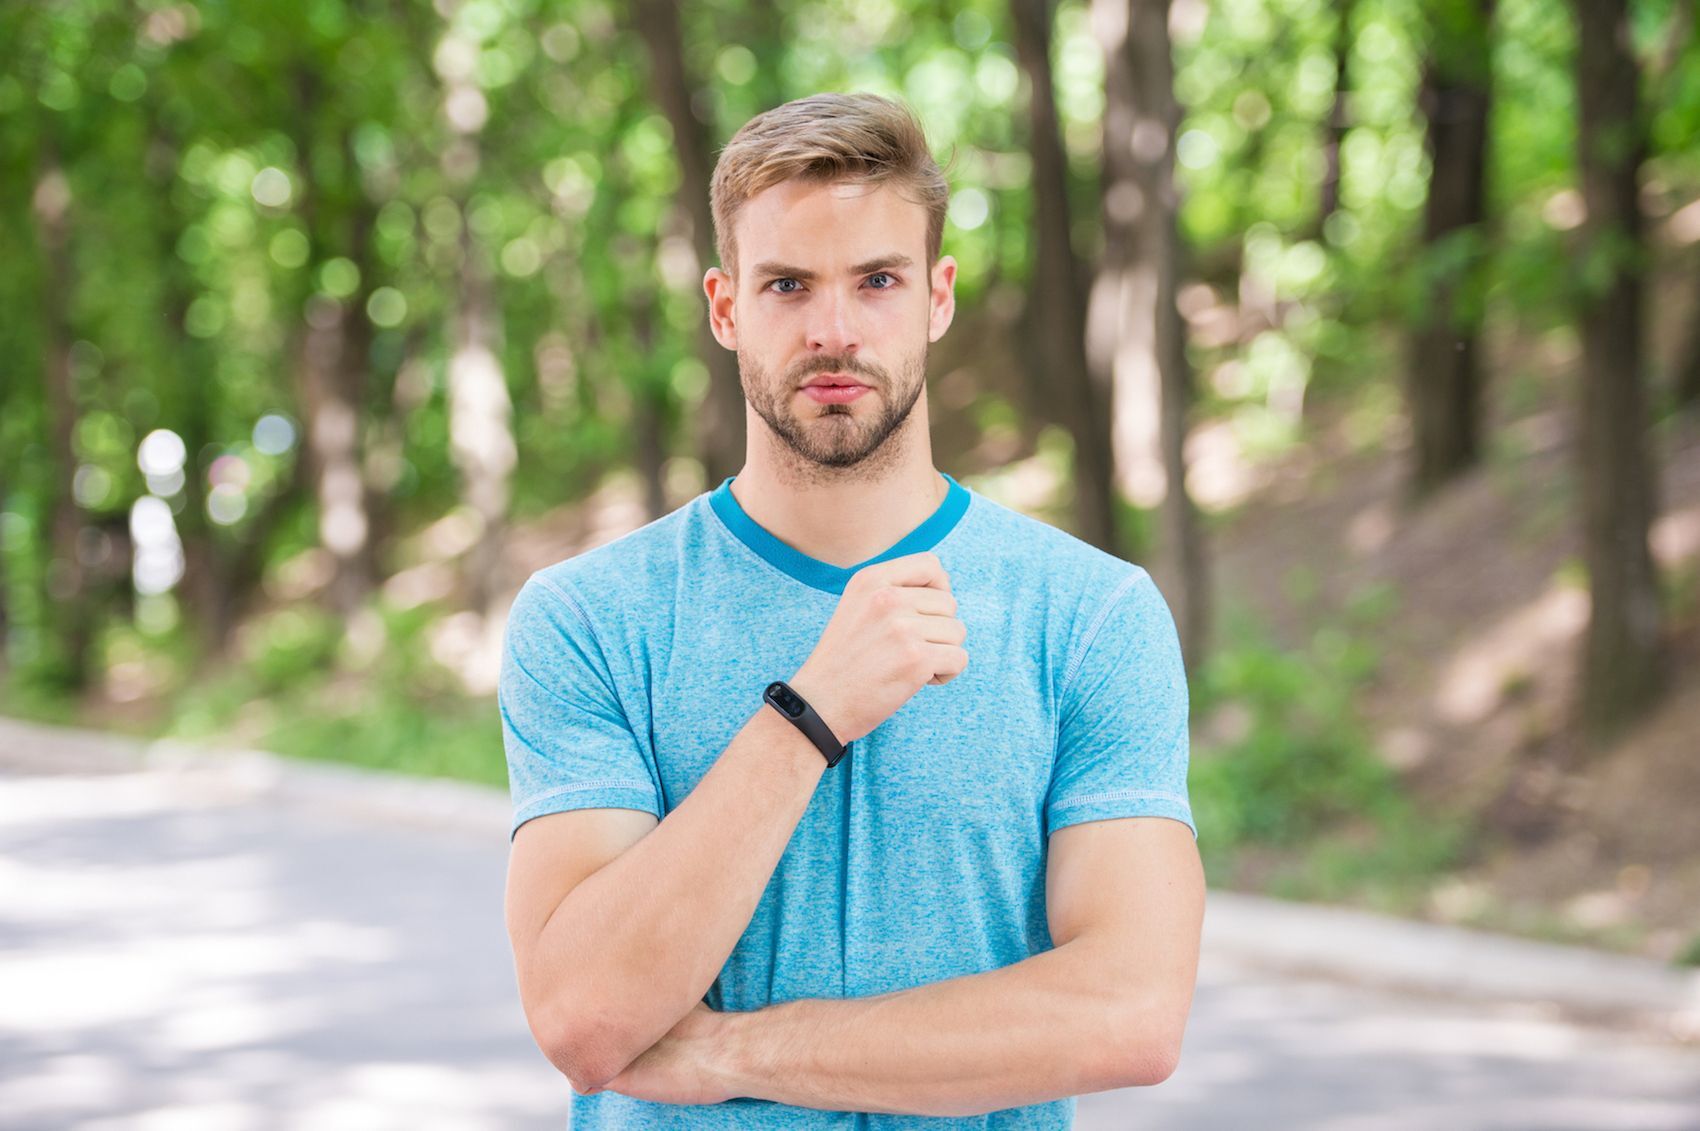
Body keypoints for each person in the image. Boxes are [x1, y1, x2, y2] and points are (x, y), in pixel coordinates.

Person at [499, 91, 1204, 1129]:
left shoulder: (1091, 616)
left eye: (876, 281)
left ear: (937, 298)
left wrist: (734, 1051)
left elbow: (1128, 1014)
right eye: (786, 285)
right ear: (725, 306)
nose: (833, 330)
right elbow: (583, 1020)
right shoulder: (589, 620)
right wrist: (808, 715)